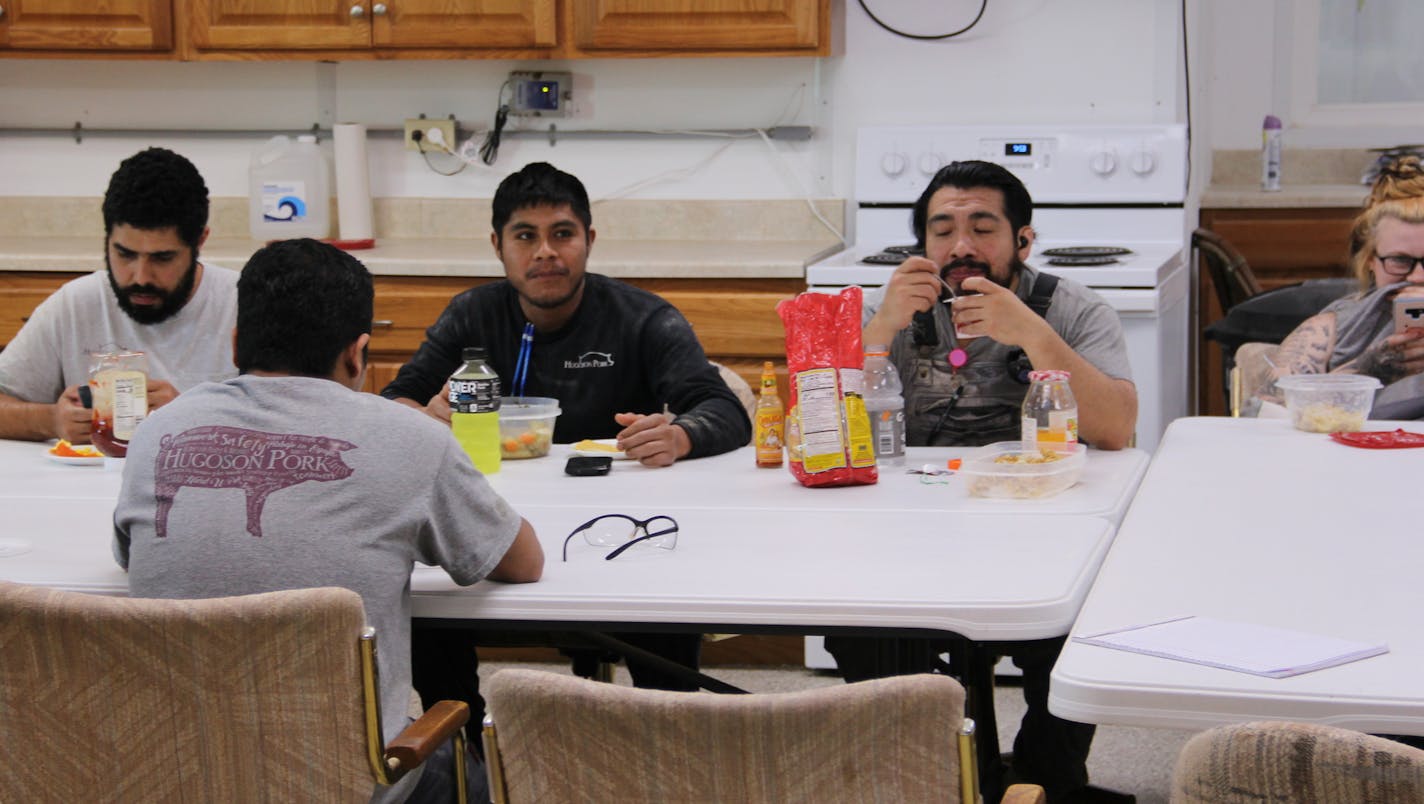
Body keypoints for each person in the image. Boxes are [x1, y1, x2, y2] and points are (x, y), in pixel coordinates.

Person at [113, 238, 545, 804]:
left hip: (174, 779)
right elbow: (522, 561)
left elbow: (134, 558)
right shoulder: (414, 440)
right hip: (347, 789)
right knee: (487, 772)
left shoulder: (156, 434)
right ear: (357, 354)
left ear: (237, 342)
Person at [381, 162, 750, 712]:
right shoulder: (470, 316)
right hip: (496, 521)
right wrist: (420, 415)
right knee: (425, 603)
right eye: (525, 236)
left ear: (588, 241)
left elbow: (723, 407)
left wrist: (679, 435)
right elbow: (394, 400)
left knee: (666, 625)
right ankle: (464, 744)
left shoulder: (643, 318)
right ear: (498, 246)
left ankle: (671, 734)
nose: (545, 252)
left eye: (562, 234)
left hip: (624, 534)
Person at [826, 160, 1137, 804]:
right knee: (855, 622)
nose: (961, 247)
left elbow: (1116, 431)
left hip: (1045, 527)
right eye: (942, 230)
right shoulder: (889, 314)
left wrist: (1032, 333)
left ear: (1023, 240)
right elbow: (822, 426)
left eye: (982, 228)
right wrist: (880, 328)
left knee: (1074, 634)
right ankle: (930, 774)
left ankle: (1041, 780)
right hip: (909, 528)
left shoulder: (1072, 309)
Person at [0, 147, 239, 444]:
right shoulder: (76, 304)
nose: (140, 277)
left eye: (162, 258)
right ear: (106, 238)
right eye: (125, 254)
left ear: (200, 241)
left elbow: (297, 422)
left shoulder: (242, 305)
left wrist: (192, 417)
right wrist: (51, 420)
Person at [1272, 157, 1424, 410]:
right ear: (1370, 262)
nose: (1417, 277)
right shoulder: (1326, 331)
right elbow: (1266, 416)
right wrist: (1367, 370)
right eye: (1400, 260)